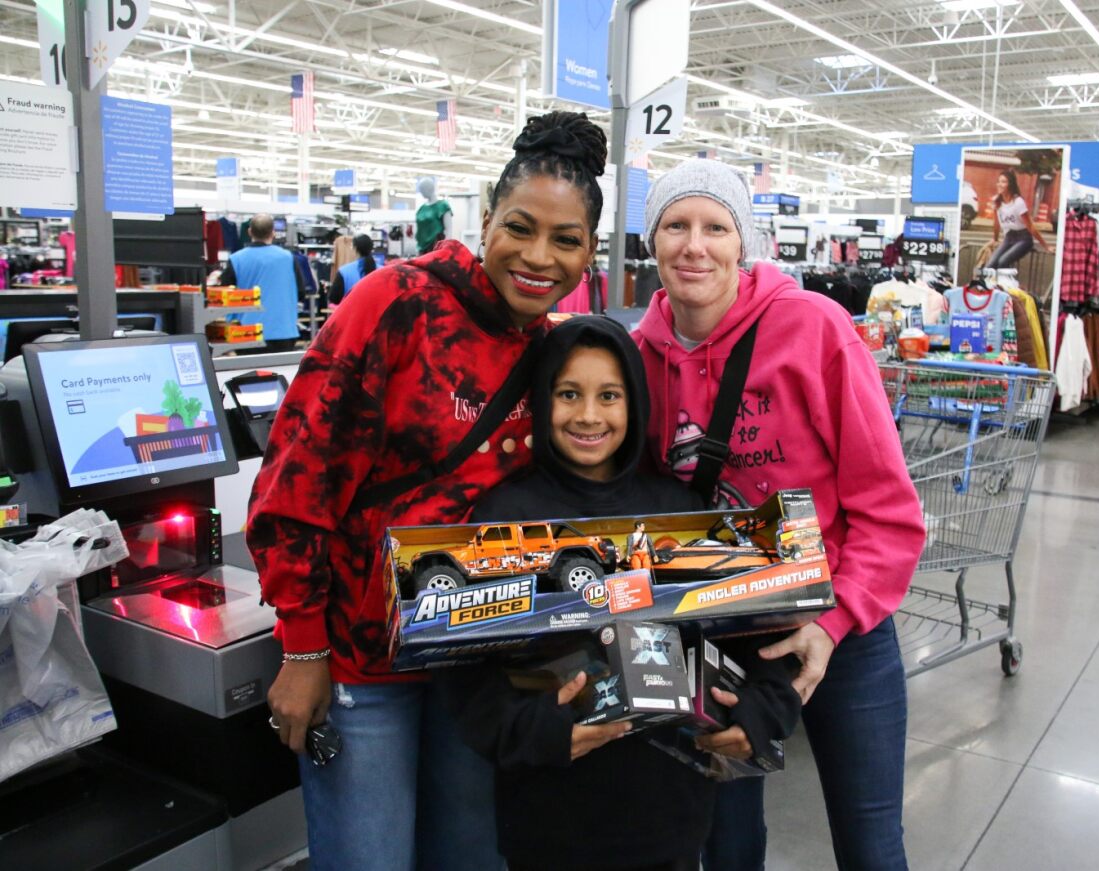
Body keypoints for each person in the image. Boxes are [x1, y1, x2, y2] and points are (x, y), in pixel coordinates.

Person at [246, 111, 608, 871]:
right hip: (360, 663)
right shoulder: (397, 304)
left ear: (589, 252)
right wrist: (303, 644)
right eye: (520, 227)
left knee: (472, 854)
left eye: (565, 240)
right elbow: (294, 477)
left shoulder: (553, 352)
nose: (538, 256)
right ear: (486, 220)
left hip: (475, 663)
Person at [633, 159, 927, 871]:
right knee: (725, 848)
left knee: (869, 844)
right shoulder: (637, 356)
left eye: (715, 227)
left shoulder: (813, 327)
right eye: (675, 225)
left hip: (841, 631)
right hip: (715, 639)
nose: (693, 245)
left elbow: (888, 511)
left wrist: (831, 624)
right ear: (652, 241)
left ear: (744, 242)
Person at [459, 315, 801, 871]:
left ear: (635, 403)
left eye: (609, 395)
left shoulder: (684, 513)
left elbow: (756, 635)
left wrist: (763, 712)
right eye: (569, 393)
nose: (588, 415)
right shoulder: (503, 520)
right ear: (543, 401)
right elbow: (467, 674)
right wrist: (537, 731)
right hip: (548, 822)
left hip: (669, 820)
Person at [219, 213, 306, 352]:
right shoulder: (288, 258)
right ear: (273, 233)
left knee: (249, 372)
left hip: (247, 333)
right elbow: (301, 292)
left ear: (249, 232)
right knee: (282, 373)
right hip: (283, 331)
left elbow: (225, 294)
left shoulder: (236, 259)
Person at [984, 169, 1053, 269]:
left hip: (1023, 239)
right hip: (1009, 237)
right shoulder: (997, 201)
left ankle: (1006, 284)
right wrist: (995, 239)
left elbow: (1030, 226)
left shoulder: (1018, 202)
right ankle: (992, 284)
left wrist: (1046, 246)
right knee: (990, 266)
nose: (999, 184)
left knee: (1003, 261)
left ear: (1011, 185)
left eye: (1003, 182)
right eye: (998, 181)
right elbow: (996, 223)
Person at [328, 233, 378, 305]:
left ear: (355, 249)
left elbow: (334, 299)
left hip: (352, 314)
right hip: (378, 315)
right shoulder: (383, 271)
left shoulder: (344, 272)